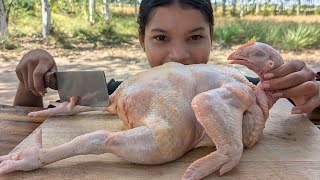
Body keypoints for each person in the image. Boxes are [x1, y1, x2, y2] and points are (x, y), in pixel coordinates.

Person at [13, 0, 320, 115]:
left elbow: (306, 108)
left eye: (195, 37)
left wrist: (308, 92)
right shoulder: (115, 92)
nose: (179, 55)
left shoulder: (250, 90)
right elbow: (26, 121)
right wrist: (31, 77)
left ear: (212, 37)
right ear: (141, 41)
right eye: (161, 38)